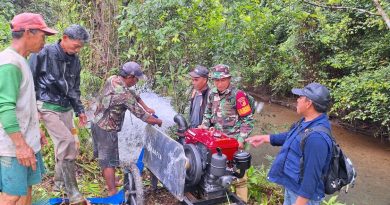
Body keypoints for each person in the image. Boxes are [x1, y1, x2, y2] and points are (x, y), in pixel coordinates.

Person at [29, 24, 90, 204]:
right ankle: (73, 192)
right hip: (47, 105)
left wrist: (80, 110)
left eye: (80, 47)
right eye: (76, 46)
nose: (77, 50)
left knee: (69, 145)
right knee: (66, 141)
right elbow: (29, 80)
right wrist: (33, 110)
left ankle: (58, 184)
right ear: (64, 38)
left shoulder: (75, 61)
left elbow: (74, 88)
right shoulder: (44, 53)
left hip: (65, 108)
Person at [0, 13, 57, 205]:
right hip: (12, 146)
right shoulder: (9, 63)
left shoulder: (21, 60)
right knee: (12, 195)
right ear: (27, 33)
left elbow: (22, 104)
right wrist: (20, 145)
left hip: (26, 139)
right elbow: (5, 108)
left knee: (25, 189)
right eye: (43, 35)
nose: (44, 41)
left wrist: (35, 130)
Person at [245, 83, 333, 205]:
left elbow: (312, 177)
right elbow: (293, 136)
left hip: (303, 198)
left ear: (309, 103)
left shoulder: (317, 138)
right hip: (292, 187)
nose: (297, 100)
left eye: (300, 97)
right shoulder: (307, 122)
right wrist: (266, 138)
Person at [92, 61, 162, 196]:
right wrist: (158, 121)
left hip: (96, 122)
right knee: (109, 161)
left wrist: (146, 106)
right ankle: (112, 191)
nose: (136, 82)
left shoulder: (113, 79)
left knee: (104, 157)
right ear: (130, 77)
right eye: (136, 79)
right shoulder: (123, 95)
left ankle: (112, 181)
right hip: (106, 129)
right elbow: (143, 117)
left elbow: (133, 94)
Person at [199, 64, 254, 202]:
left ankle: (241, 200)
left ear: (229, 79)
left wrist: (241, 139)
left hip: (235, 140)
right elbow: (208, 113)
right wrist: (204, 126)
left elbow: (248, 120)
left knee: (240, 174)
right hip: (218, 140)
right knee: (217, 167)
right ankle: (220, 195)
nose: (219, 83)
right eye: (216, 80)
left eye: (222, 80)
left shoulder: (238, 95)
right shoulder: (212, 93)